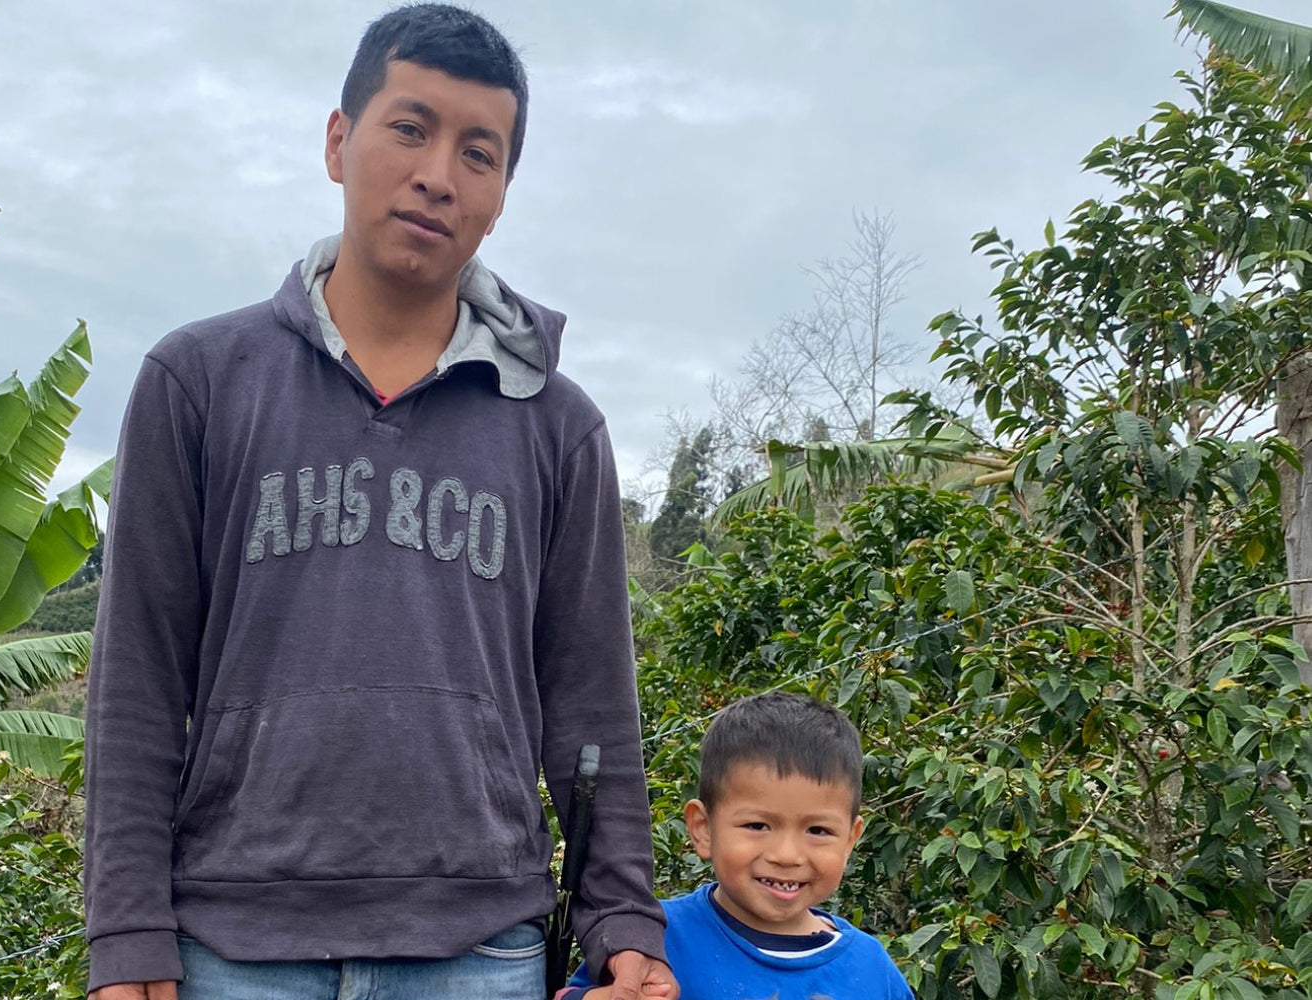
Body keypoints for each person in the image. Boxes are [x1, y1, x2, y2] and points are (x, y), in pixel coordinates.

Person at [82, 6, 675, 999]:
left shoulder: (557, 427)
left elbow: (591, 700)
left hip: (479, 949)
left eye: (477, 152)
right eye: (409, 127)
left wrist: (622, 915)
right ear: (337, 142)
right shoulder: (198, 383)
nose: (438, 172)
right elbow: (138, 682)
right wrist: (127, 931)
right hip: (230, 947)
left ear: (500, 195)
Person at [562, 692, 913, 1000]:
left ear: (851, 840)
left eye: (818, 830)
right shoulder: (652, 938)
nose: (787, 855)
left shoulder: (873, 970)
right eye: (757, 825)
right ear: (703, 829)